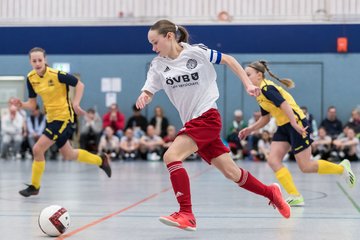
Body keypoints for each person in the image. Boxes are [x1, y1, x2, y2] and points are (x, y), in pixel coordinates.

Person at [135, 19, 290, 231]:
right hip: (193, 122)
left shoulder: (196, 52)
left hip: (207, 117)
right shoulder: (158, 65)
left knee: (171, 156)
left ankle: (186, 214)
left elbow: (229, 60)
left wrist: (247, 84)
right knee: (232, 173)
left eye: (155, 42)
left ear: (169, 36)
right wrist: (144, 96)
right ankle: (271, 193)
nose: (153, 48)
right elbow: (150, 89)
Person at [239, 60, 356, 207]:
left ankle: (342, 169)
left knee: (306, 166)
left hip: (297, 124)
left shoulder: (267, 88)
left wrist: (294, 123)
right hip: (283, 126)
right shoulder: (258, 94)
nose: (245, 77)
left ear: (259, 75)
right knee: (273, 160)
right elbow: (266, 117)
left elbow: (284, 104)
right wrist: (250, 129)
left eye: (248, 74)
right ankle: (295, 196)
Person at [10, 47, 111, 197]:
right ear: (30, 62)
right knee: (68, 154)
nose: (37, 63)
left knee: (37, 149)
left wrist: (76, 104)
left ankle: (35, 186)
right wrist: (21, 105)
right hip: (51, 119)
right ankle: (100, 160)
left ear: (45, 60)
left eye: (40, 60)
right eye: (34, 60)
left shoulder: (57, 75)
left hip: (64, 117)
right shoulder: (31, 78)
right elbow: (32, 105)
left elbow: (80, 85)